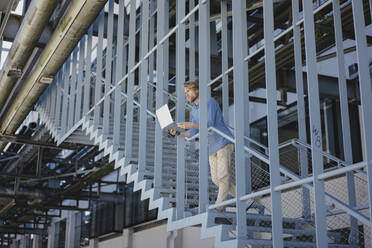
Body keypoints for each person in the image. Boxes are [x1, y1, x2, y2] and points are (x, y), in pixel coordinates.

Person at [169, 80, 242, 211]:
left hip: (223, 141)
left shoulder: (209, 102)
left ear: (197, 90)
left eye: (188, 91)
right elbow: (193, 132)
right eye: (185, 93)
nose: (187, 95)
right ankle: (245, 200)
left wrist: (190, 125)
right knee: (215, 179)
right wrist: (178, 132)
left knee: (223, 176)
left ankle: (218, 207)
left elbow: (209, 124)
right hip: (211, 146)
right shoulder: (193, 111)